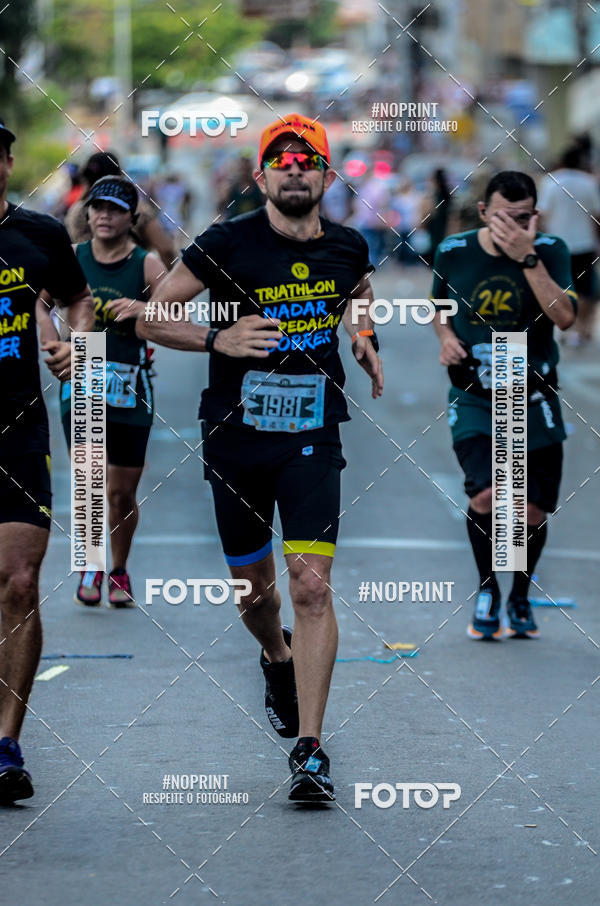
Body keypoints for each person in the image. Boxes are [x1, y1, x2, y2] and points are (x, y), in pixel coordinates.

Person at [137, 113, 383, 802]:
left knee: (310, 587)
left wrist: (364, 338)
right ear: (262, 176)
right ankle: (274, 654)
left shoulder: (349, 245)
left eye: (308, 160)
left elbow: (357, 294)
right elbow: (154, 314)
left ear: (327, 176)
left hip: (312, 434)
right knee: (256, 593)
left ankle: (309, 748)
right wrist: (217, 340)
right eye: (283, 160)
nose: (296, 168)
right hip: (235, 438)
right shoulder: (226, 243)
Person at [431, 171, 576, 640]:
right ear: (483, 212)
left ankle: (519, 594)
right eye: (503, 218)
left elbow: (565, 317)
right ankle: (490, 588)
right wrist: (446, 338)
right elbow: (439, 308)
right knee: (487, 496)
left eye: (523, 217)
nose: (513, 226)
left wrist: (527, 258)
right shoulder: (454, 251)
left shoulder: (549, 250)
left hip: (534, 397)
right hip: (476, 396)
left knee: (531, 510)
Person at [0, 118, 94, 802]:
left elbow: (79, 302)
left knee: (20, 584)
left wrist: (71, 346)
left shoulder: (40, 236)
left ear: (7, 163)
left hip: (18, 435)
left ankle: (6, 744)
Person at [39, 176, 163, 608]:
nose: (104, 216)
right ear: (86, 213)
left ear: (131, 218)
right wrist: (56, 343)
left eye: (114, 209)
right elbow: (41, 301)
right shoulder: (72, 256)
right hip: (85, 372)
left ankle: (120, 567)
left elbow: (177, 311)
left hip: (131, 381)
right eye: (97, 208)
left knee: (121, 492)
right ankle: (90, 563)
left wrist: (144, 309)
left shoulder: (145, 263)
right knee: (89, 482)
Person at [65, 151, 177, 272]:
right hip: (131, 282)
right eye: (98, 208)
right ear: (119, 175)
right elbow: (166, 250)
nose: (105, 215)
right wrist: (160, 285)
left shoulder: (75, 211)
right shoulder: (137, 209)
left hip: (88, 283)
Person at [538, 146, 600, 344]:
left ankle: (566, 328)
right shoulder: (588, 182)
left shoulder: (550, 182)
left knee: (560, 287)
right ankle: (582, 330)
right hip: (584, 243)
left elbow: (542, 215)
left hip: (558, 244)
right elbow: (596, 215)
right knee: (585, 289)